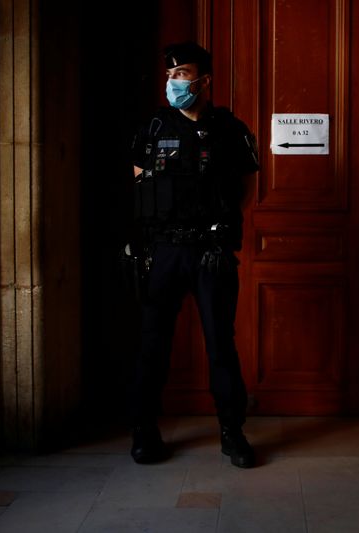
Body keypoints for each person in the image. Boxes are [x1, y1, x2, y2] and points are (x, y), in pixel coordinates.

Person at [127, 41, 259, 468]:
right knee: (153, 344)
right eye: (169, 75)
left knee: (221, 344)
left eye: (181, 74)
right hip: (163, 250)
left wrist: (213, 224)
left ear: (204, 80)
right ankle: (145, 432)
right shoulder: (152, 128)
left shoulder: (230, 129)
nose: (173, 82)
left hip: (210, 252)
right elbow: (139, 183)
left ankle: (231, 432)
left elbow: (246, 188)